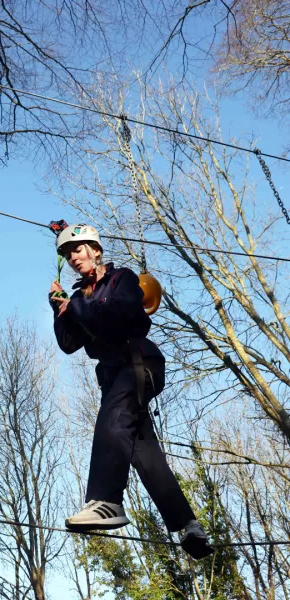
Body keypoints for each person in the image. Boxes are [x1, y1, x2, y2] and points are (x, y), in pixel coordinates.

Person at [49, 224, 213, 560]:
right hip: (113, 375)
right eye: (68, 254)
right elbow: (69, 343)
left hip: (137, 363)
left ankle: (106, 500)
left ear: (95, 250)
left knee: (112, 423)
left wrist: (74, 308)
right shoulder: (80, 298)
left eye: (78, 250)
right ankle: (188, 525)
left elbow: (118, 313)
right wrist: (59, 310)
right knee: (144, 453)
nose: (73, 258)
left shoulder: (120, 279)